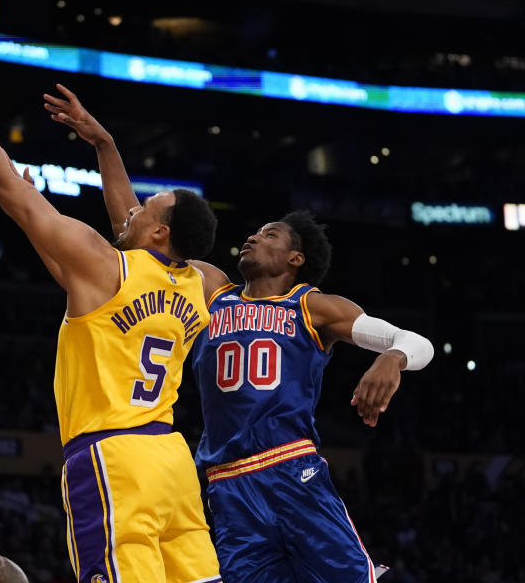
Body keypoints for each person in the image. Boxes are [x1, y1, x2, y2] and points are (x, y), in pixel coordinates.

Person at [45, 85, 435, 583]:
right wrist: (105, 145)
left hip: (290, 469)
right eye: (255, 232)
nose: (253, 236)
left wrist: (391, 359)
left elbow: (414, 341)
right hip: (224, 484)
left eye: (270, 234)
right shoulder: (211, 290)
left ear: (296, 259)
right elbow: (136, 229)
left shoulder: (312, 306)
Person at [0, 8, 223, 583]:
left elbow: (1, 178)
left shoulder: (103, 264)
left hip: (112, 457)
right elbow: (128, 225)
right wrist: (104, 144)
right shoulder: (197, 280)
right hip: (174, 461)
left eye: (147, 205)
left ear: (159, 233)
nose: (132, 206)